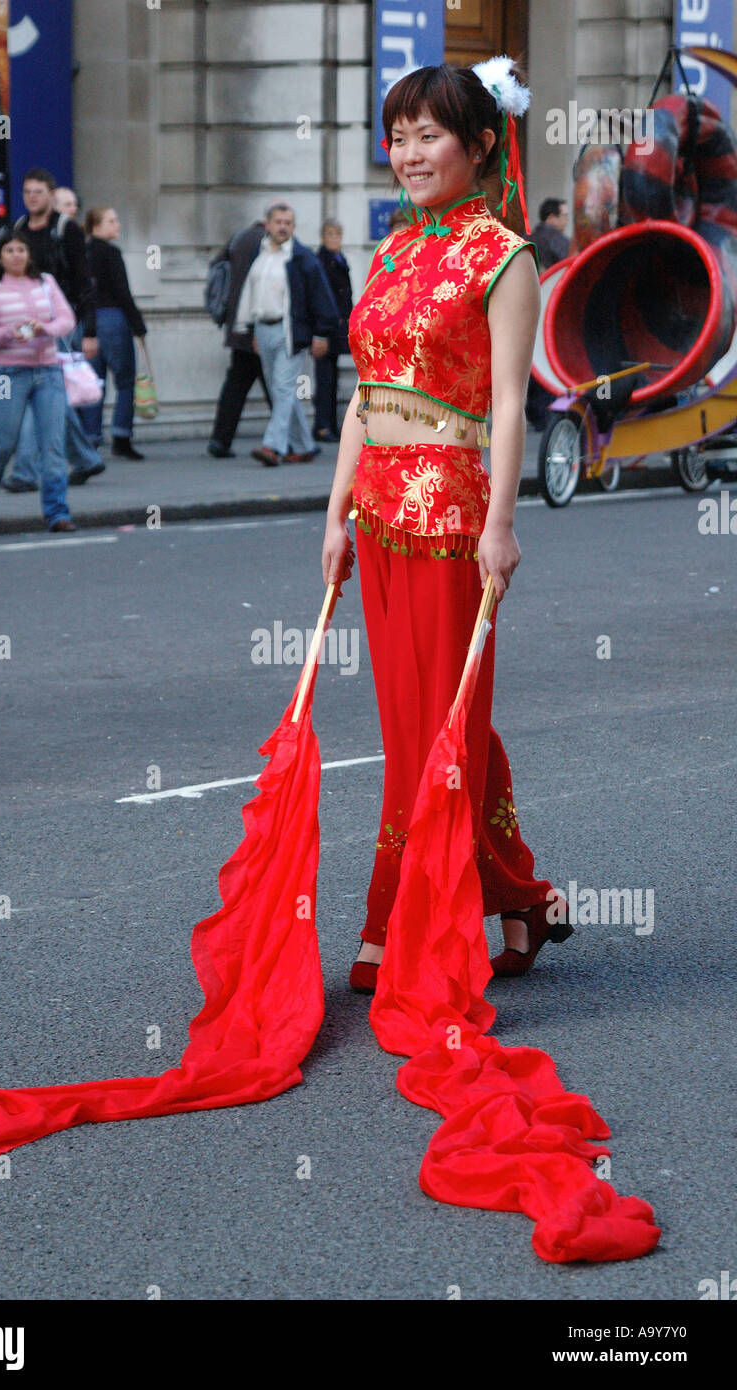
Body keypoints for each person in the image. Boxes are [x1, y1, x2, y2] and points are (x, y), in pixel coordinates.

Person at [320, 62, 571, 992]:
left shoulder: (505, 257)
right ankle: (518, 897)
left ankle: (400, 915)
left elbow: (511, 405)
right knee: (418, 722)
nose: (411, 153)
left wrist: (502, 523)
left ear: (480, 145)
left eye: (430, 135)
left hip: (454, 518)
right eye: (400, 135)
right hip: (380, 514)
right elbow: (366, 394)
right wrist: (336, 509)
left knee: (440, 724)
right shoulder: (389, 253)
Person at [0, 228, 76, 532]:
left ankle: (58, 513)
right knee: (4, 441)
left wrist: (44, 328)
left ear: (29, 254)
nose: (16, 255)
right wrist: (10, 331)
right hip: (7, 375)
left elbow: (67, 319)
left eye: (21, 249)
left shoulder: (46, 283)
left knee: (53, 444)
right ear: (0, 257)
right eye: (9, 250)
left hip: (47, 372)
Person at [5, 167, 104, 491]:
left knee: (38, 393)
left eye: (38, 191)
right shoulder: (19, 228)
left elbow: (83, 280)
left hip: (59, 325)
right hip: (27, 325)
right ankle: (87, 459)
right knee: (50, 396)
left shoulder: (66, 230)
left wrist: (89, 331)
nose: (32, 197)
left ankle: (24, 471)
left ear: (50, 195)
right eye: (27, 192)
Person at [233, 202, 339, 466]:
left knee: (282, 388)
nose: (283, 227)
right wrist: (249, 327)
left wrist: (321, 334)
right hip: (263, 329)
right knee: (282, 391)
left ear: (293, 226)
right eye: (278, 222)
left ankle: (273, 446)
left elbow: (321, 296)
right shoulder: (263, 255)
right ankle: (304, 445)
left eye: (288, 223)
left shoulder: (302, 258)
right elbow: (251, 292)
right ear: (267, 224)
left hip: (290, 332)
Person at [80, 207, 147, 459]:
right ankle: (121, 436)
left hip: (88, 323)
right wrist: (138, 324)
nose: (117, 224)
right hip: (113, 319)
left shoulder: (82, 253)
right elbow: (122, 292)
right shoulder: (111, 253)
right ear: (96, 225)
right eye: (111, 220)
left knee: (94, 384)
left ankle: (90, 439)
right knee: (126, 381)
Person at [207, 218, 273, 458]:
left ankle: (220, 440)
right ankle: (287, 441)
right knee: (278, 388)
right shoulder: (270, 243)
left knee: (235, 387)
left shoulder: (238, 239)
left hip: (237, 324)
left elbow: (216, 268)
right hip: (260, 326)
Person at [526, 197, 570, 430]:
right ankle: (543, 413)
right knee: (548, 358)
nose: (566, 221)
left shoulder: (528, 239)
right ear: (551, 217)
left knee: (532, 359)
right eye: (564, 216)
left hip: (526, 306)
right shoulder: (558, 241)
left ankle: (534, 410)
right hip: (551, 306)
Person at [312, 219, 353, 443]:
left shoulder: (340, 259)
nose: (334, 238)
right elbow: (322, 297)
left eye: (337, 234)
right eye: (330, 234)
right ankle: (322, 426)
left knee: (332, 379)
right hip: (327, 327)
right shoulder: (322, 261)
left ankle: (330, 424)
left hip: (339, 325)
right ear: (322, 236)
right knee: (324, 379)